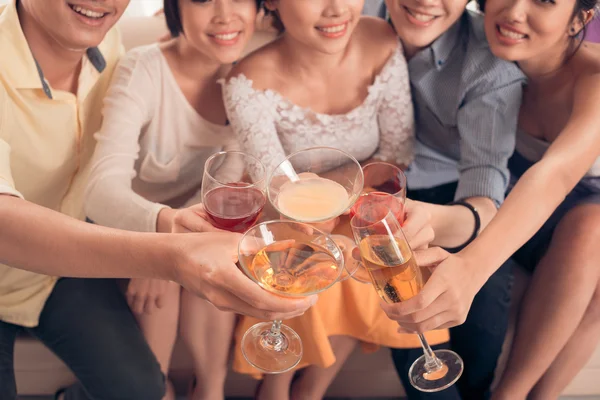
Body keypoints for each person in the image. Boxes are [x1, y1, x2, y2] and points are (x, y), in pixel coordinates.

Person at [0, 1, 315, 399]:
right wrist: (163, 247)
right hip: (35, 258)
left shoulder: (100, 32)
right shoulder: (133, 59)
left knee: (142, 388)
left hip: (56, 276)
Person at [219, 1, 449, 399]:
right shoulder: (246, 80)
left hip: (359, 203)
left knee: (365, 248)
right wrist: (329, 212)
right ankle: (276, 387)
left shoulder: (381, 37)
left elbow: (396, 153)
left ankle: (312, 388)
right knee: (325, 251)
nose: (337, 9)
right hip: (289, 216)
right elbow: (278, 190)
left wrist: (342, 204)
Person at [386, 0, 600, 398]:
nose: (515, 12)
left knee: (593, 232)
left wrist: (471, 267)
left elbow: (555, 177)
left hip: (575, 203)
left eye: (545, 1)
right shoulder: (476, 50)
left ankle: (516, 394)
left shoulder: (594, 78)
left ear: (581, 19)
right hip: (502, 197)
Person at [84, 1, 265, 399]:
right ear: (174, 9)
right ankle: (156, 389)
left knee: (214, 266)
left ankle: (211, 390)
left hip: (193, 230)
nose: (224, 14)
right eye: (202, 0)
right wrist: (157, 244)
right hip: (129, 226)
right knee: (168, 280)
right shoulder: (143, 69)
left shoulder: (252, 75)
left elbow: (227, 187)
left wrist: (175, 245)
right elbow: (99, 191)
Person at [364, 1, 525, 398]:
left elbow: (486, 195)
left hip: (454, 197)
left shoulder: (491, 65)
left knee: (482, 313)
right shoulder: (346, 19)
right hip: (370, 189)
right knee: (405, 310)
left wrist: (444, 224)